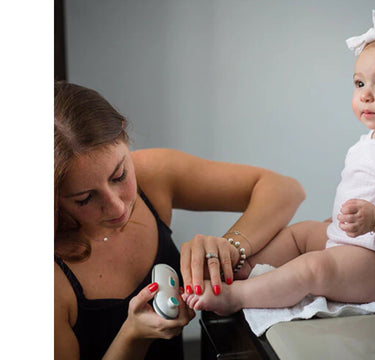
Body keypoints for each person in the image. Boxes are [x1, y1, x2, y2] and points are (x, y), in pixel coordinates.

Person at [182, 10, 375, 316]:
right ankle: (245, 269)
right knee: (299, 233)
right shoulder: (374, 140)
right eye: (359, 83)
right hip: (359, 244)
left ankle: (238, 294)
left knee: (315, 267)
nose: (365, 95)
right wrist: (338, 223)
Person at [54, 81, 306, 359]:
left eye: (119, 176)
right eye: (84, 198)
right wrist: (133, 335)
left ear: (124, 134)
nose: (116, 207)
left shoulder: (153, 173)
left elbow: (285, 189)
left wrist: (230, 246)